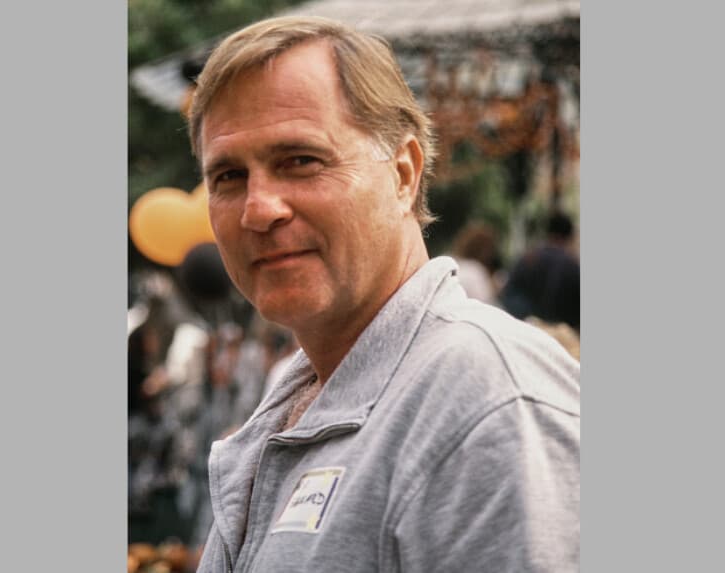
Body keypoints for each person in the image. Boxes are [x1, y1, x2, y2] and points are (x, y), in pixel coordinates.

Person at [186, 16, 580, 572]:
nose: (259, 208)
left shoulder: (487, 398)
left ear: (403, 174)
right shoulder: (297, 389)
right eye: (228, 176)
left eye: (300, 161)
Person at [500, 211, 581, 332]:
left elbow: (509, 294)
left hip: (526, 330)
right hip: (561, 335)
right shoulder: (572, 265)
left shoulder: (528, 258)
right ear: (569, 236)